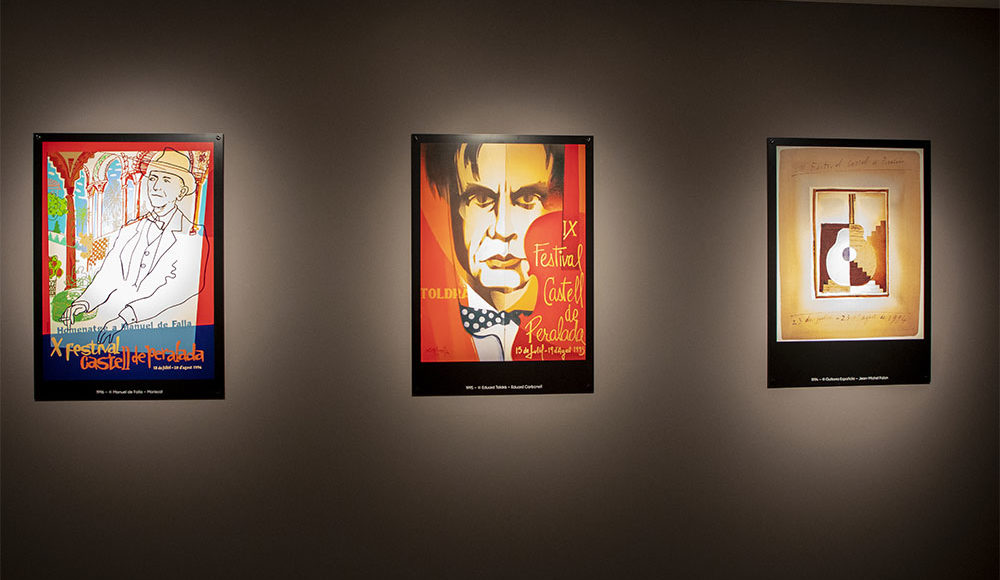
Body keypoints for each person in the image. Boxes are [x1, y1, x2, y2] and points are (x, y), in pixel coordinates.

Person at [423, 142, 564, 361]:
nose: (503, 230)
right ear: (454, 207)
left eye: (527, 198)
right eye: (481, 199)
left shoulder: (565, 322)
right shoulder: (432, 325)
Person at [62, 148, 209, 343]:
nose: (155, 186)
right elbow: (108, 274)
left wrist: (126, 318)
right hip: (110, 327)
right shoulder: (129, 230)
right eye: (153, 178)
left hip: (160, 332)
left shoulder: (193, 235)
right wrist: (84, 303)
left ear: (181, 192)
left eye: (166, 180)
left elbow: (181, 290)